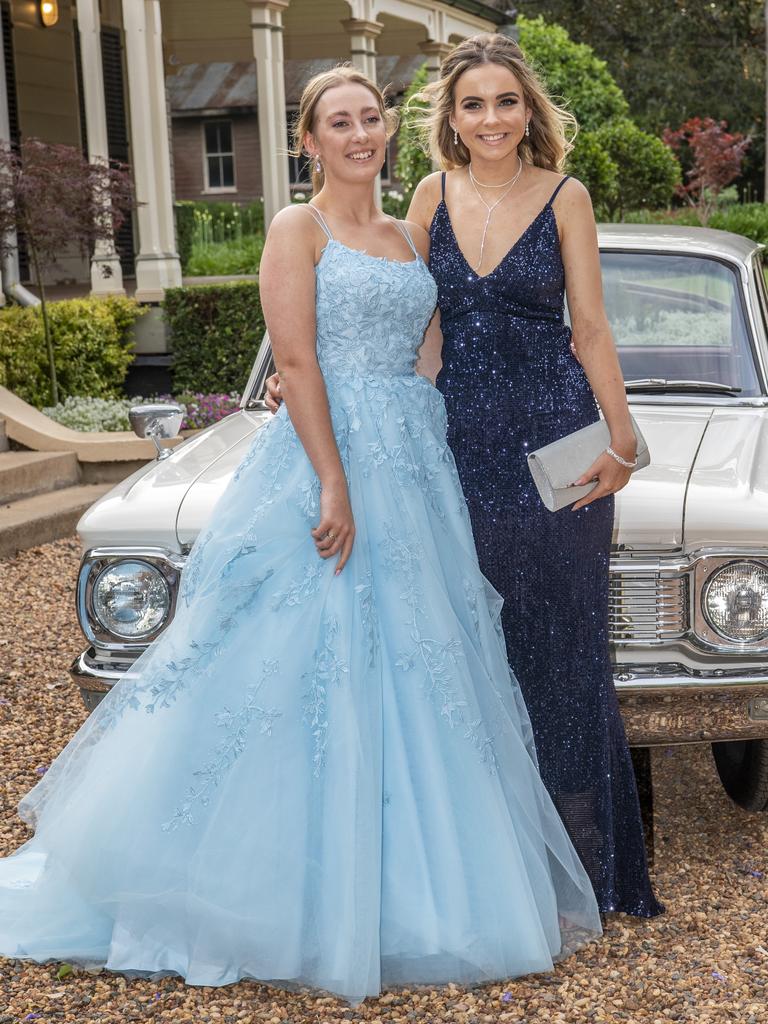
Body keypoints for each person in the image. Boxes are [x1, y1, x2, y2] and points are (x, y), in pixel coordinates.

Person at [0, 66, 601, 1005]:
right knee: (290, 658)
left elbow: (430, 353)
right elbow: (292, 356)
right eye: (338, 123)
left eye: (370, 119)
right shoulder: (297, 228)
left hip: (411, 461)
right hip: (329, 463)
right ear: (307, 141)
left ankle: (410, 885)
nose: (359, 134)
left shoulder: (410, 232)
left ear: (387, 133)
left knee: (418, 664)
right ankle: (254, 883)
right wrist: (331, 477)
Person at [266, 35, 663, 919]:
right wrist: (331, 410)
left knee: (564, 646)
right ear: (450, 117)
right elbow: (403, 317)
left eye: (506, 102)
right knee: (471, 648)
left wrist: (624, 442)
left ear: (531, 113)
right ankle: (504, 869)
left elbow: (591, 330)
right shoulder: (427, 200)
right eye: (473, 104)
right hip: (454, 451)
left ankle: (594, 867)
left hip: (557, 444)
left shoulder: (567, 197)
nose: (491, 119)